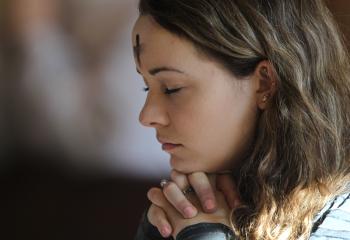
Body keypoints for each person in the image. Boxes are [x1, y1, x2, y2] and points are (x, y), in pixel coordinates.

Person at [132, 0, 350, 239]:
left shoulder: (339, 221)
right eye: (146, 87)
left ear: (264, 83)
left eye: (172, 88)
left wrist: (204, 235)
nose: (146, 116)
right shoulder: (185, 208)